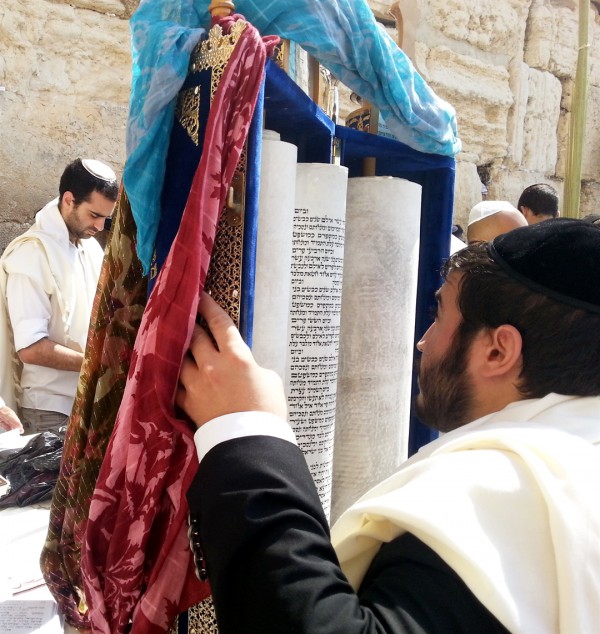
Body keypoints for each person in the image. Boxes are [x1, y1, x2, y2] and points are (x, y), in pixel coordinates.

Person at [176, 218, 600, 633]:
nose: (424, 341)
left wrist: (247, 434)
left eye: (440, 314)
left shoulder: (512, 493)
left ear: (497, 351)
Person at [0, 159, 118, 434]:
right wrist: (100, 364)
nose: (100, 226)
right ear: (69, 199)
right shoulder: (32, 254)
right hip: (49, 412)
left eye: (105, 218)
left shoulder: (89, 248)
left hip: (88, 404)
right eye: (93, 215)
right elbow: (31, 348)